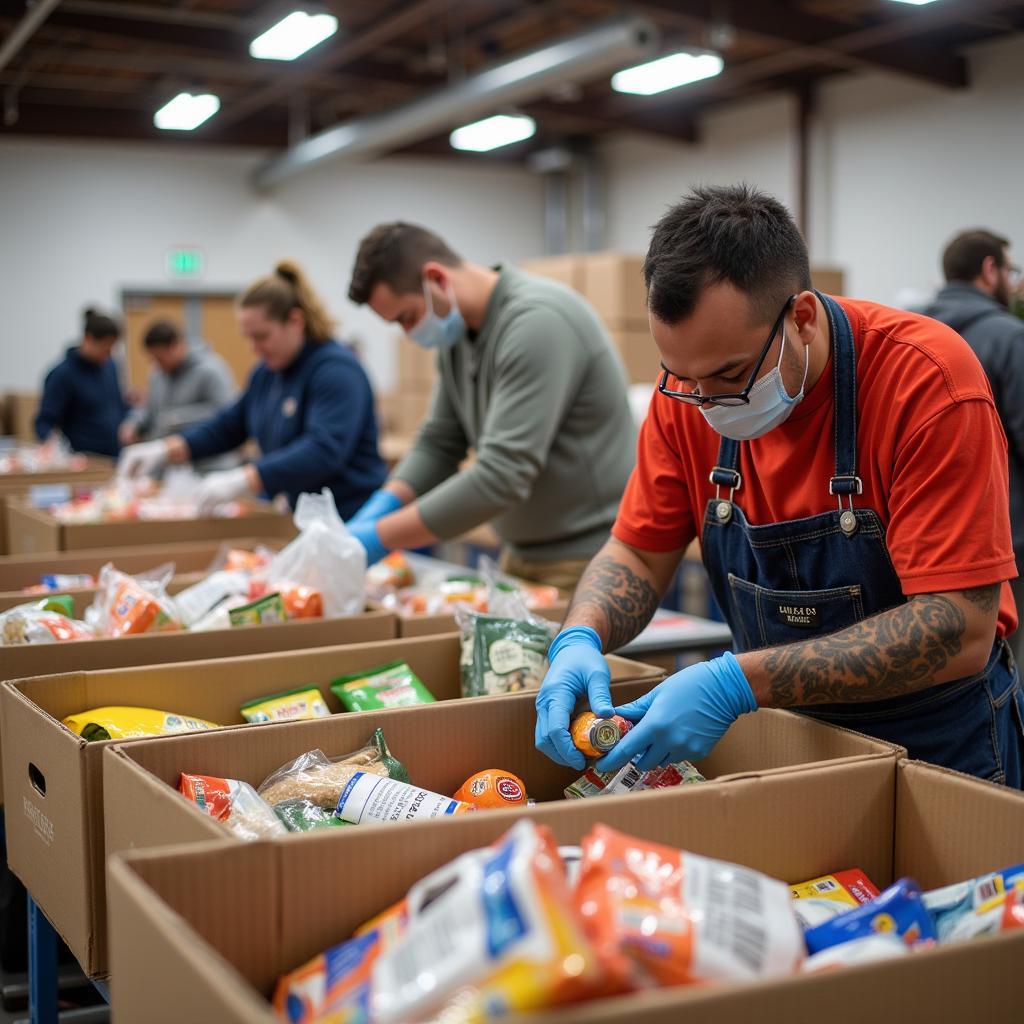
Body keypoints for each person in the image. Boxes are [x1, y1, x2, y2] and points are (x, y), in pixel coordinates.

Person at [534, 184, 1023, 787]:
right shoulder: (688, 393)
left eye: (731, 374)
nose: (706, 404)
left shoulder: (925, 382)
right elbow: (639, 551)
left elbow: (958, 627)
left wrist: (736, 681)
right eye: (684, 377)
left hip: (935, 744)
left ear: (803, 319)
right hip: (782, 731)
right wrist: (582, 633)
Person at [344, 222, 636, 589]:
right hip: (522, 550)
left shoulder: (536, 322)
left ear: (436, 278)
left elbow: (502, 475)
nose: (409, 333)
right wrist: (378, 508)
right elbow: (440, 442)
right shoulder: (459, 336)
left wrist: (379, 537)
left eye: (407, 316)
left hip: (589, 555)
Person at [118, 262, 387, 516]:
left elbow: (324, 449)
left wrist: (245, 478)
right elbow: (228, 426)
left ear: (295, 321)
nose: (254, 348)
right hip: (300, 515)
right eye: (248, 337)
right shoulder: (267, 374)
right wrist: (166, 449)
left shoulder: (336, 370)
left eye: (261, 336)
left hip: (350, 516)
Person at [921, 230, 1024, 664]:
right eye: (1009, 269)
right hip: (1003, 540)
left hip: (920, 538)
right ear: (989, 269)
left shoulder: (912, 333)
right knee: (1005, 665)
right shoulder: (1009, 337)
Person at [119, 320, 238, 471]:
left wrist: (174, 418)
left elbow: (226, 413)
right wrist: (134, 422)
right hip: (173, 468)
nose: (158, 364)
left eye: (160, 358)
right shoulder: (157, 374)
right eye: (154, 359)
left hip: (209, 467)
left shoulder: (211, 370)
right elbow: (150, 408)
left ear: (177, 346)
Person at [35, 308, 127, 458]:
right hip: (83, 463)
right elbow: (45, 422)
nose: (108, 354)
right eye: (105, 348)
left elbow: (117, 406)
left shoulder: (110, 367)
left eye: (111, 349)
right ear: (88, 339)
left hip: (114, 457)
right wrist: (52, 446)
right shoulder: (62, 375)